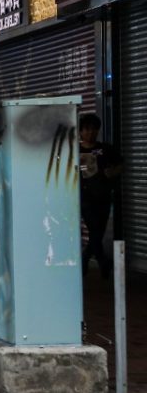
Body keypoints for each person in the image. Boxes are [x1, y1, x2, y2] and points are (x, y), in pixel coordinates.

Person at [78, 113, 123, 279]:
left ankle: (100, 261)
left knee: (98, 232)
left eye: (94, 129)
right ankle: (95, 260)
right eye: (87, 129)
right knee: (95, 230)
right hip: (84, 198)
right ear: (81, 131)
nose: (91, 132)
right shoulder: (75, 149)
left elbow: (120, 164)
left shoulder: (105, 149)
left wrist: (113, 171)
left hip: (103, 197)